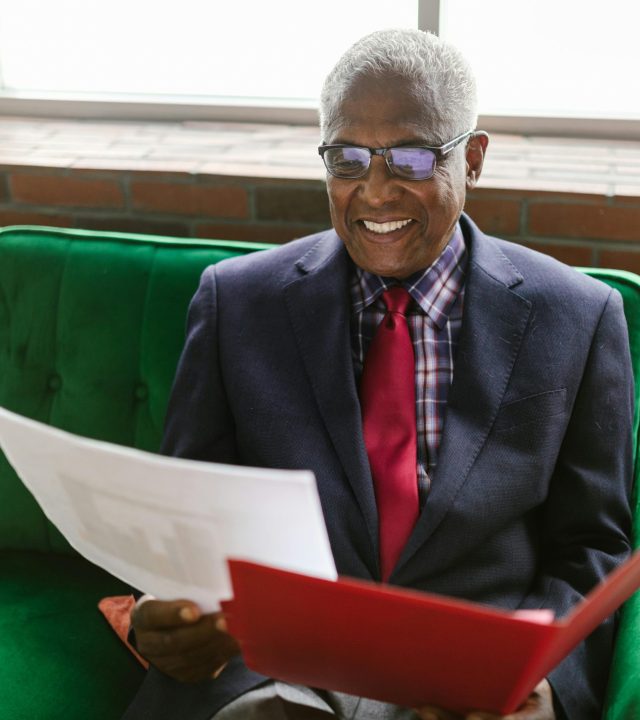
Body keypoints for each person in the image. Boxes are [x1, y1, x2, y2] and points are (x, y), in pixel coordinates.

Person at [122, 28, 633, 720]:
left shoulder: (580, 315)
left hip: (463, 684)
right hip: (271, 678)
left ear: (473, 159)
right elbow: (186, 526)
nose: (377, 191)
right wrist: (166, 610)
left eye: (413, 158)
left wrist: (544, 687)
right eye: (348, 158)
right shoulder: (236, 302)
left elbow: (591, 547)